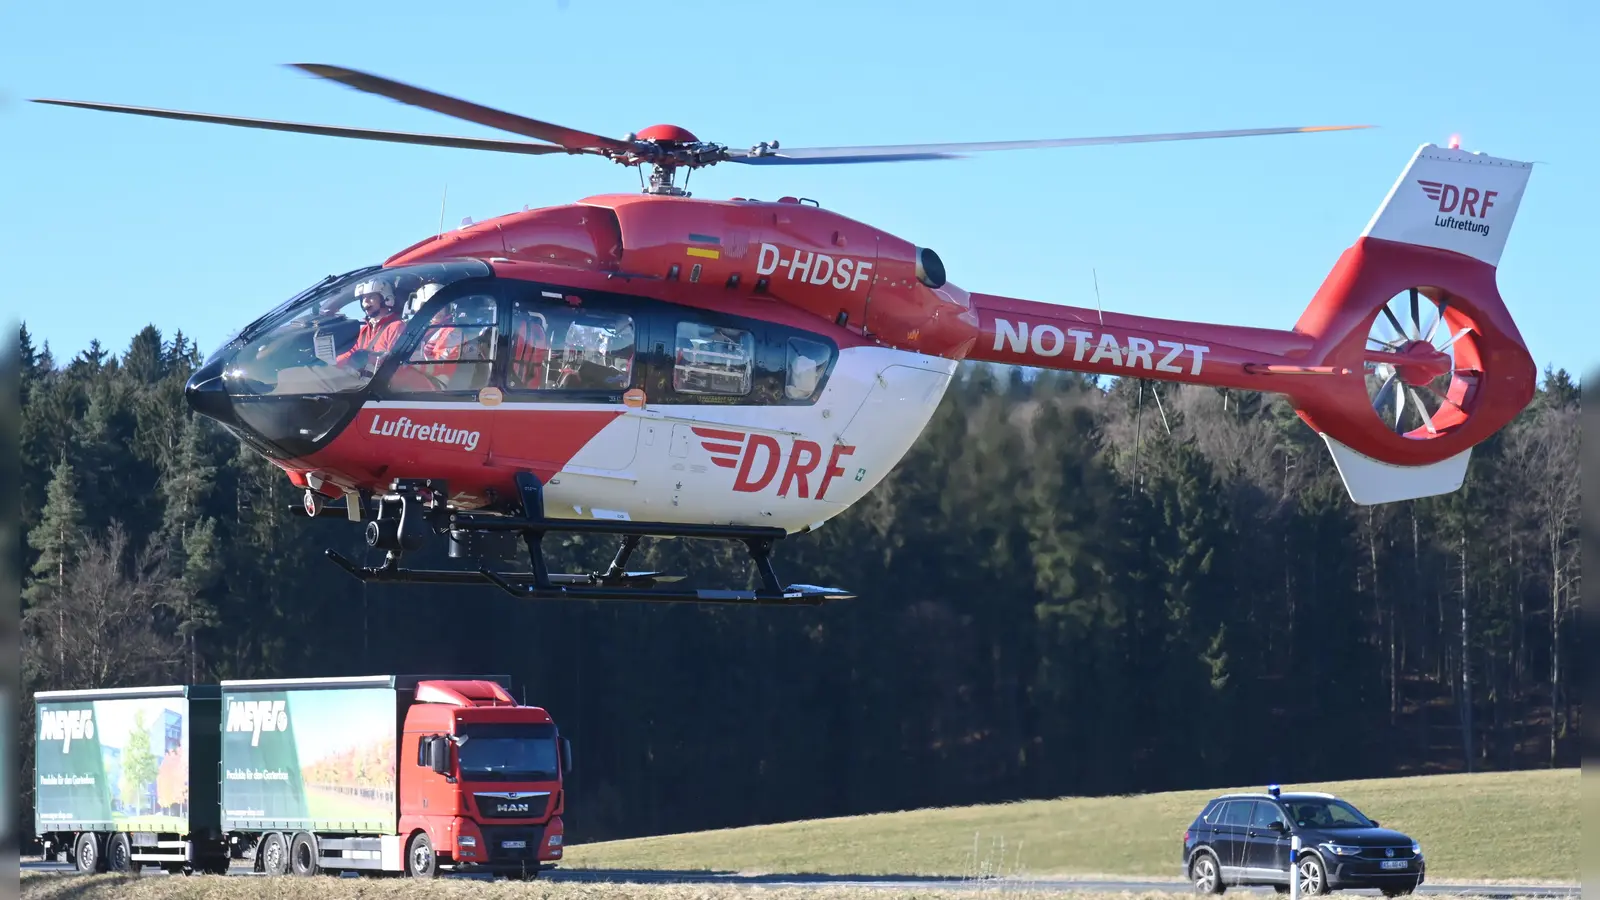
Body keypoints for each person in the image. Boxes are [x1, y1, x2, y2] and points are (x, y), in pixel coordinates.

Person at [335, 278, 405, 372]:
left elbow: (395, 362)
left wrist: (367, 358)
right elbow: (351, 352)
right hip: (364, 380)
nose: (365, 301)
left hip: (381, 382)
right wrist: (332, 364)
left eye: (371, 296)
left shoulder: (396, 327)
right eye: (363, 298)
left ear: (386, 298)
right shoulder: (365, 330)